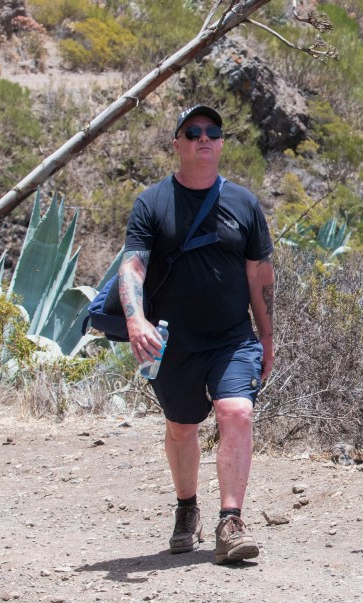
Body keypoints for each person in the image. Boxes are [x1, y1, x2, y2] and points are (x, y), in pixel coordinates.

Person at [118, 104, 274, 564]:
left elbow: (260, 276)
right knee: (182, 427)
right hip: (172, 344)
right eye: (193, 132)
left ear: (222, 143)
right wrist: (134, 319)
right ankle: (187, 509)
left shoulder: (244, 203)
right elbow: (132, 266)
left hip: (232, 338)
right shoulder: (152, 203)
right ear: (178, 144)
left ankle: (231, 521)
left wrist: (266, 337)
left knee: (237, 413)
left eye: (212, 132)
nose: (204, 138)